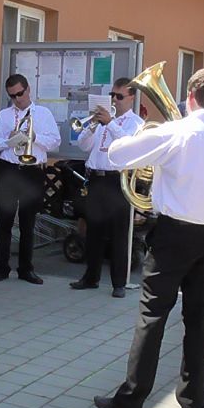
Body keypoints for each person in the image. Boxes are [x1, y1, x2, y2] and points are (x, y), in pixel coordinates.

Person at [93, 68, 204, 408]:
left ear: (190, 97)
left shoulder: (176, 131)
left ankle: (131, 399)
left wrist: (139, 134)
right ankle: (194, 401)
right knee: (199, 316)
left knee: (152, 315)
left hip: (175, 233)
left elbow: (117, 155)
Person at [0, 74, 61, 285]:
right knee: (5, 221)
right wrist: (7, 141)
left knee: (28, 223)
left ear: (28, 90)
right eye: (12, 96)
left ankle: (26, 269)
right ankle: (1, 267)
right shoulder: (4, 115)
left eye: (20, 93)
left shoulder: (43, 114)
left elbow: (55, 142)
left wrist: (35, 137)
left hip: (32, 171)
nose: (17, 99)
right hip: (8, 170)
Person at [70, 78, 144, 297]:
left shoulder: (136, 123)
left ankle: (119, 283)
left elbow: (129, 146)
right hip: (96, 179)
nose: (115, 100)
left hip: (117, 181)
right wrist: (92, 125)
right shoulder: (102, 121)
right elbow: (83, 145)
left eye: (119, 96)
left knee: (119, 234)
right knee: (93, 231)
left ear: (131, 98)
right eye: (112, 95)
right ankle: (91, 277)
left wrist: (110, 123)